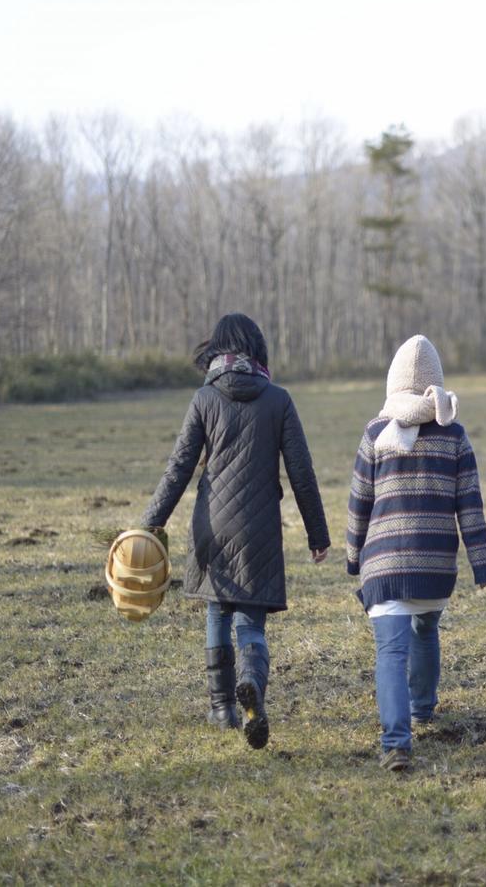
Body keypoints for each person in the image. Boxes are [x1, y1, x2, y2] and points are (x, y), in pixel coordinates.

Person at [141, 312, 330, 750]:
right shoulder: (279, 399)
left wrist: (152, 521)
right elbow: (301, 472)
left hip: (211, 524)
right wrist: (317, 534)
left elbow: (179, 468)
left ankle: (221, 706)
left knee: (216, 610)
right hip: (258, 528)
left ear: (217, 351)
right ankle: (251, 684)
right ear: (257, 350)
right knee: (250, 620)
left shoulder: (204, 399)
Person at [347, 335, 486, 772]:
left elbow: (359, 502)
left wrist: (354, 557)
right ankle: (424, 707)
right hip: (434, 565)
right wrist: (481, 565)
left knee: (390, 651)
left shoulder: (375, 434)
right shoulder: (454, 435)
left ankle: (396, 742)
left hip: (385, 565)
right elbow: (470, 504)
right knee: (426, 628)